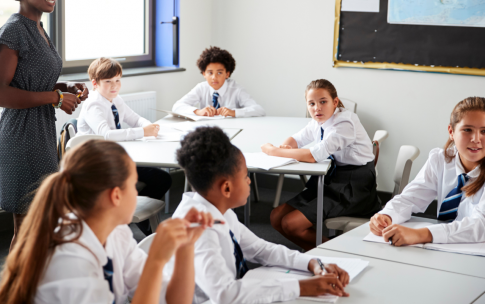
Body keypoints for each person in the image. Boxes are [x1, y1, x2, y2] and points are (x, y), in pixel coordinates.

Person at [0, 140, 213, 304]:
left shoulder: (117, 233)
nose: (136, 195)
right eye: (134, 186)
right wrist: (156, 259)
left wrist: (186, 246)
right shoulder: (70, 261)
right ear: (116, 196)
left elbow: (170, 299)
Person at [165, 126, 349, 304]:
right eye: (246, 176)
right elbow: (225, 295)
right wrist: (301, 287)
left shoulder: (219, 210)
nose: (249, 181)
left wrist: (311, 262)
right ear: (226, 188)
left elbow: (260, 249)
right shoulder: (198, 228)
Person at [0, 0, 88, 251]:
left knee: (40, 227)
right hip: (21, 139)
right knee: (29, 230)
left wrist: (64, 87)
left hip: (39, 135)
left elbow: (30, 79)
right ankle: (15, 294)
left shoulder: (39, 28)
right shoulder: (13, 31)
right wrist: (54, 97)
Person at [263, 79, 380, 251]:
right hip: (332, 178)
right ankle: (318, 251)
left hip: (354, 186)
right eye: (311, 103)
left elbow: (312, 156)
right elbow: (298, 138)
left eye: (323, 102)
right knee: (276, 217)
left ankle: (335, 254)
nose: (317, 108)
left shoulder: (345, 123)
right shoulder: (319, 120)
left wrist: (274, 151)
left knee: (291, 224)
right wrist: (285, 146)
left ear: (335, 102)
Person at [370, 97, 485, 246]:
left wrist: (422, 234)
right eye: (467, 130)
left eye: (484, 131)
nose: (476, 139)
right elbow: (410, 198)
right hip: (443, 249)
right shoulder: (440, 159)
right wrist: (386, 215)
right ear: (451, 131)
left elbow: (480, 225)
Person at [77, 57, 172, 235]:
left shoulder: (115, 98)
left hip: (115, 158)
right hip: (98, 165)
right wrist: (143, 132)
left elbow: (135, 118)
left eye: (118, 80)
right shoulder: (93, 105)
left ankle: (135, 216)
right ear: (95, 83)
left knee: (163, 178)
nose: (114, 86)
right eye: (108, 82)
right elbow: (107, 135)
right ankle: (132, 217)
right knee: (158, 179)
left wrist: (148, 125)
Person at [172, 46, 265, 118]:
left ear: (227, 74)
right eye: (210, 73)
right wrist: (198, 111)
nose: (214, 77)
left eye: (219, 72)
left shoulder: (236, 89)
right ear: (204, 74)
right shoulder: (201, 88)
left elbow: (259, 110)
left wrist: (234, 112)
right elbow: (177, 107)